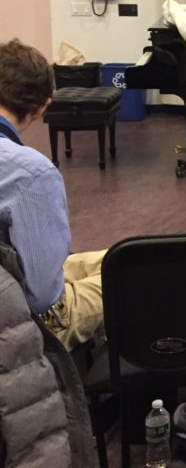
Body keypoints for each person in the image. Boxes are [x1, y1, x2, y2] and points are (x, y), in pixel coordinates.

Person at [0, 38, 105, 349]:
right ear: (44, 107)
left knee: (120, 259)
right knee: (147, 272)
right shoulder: (29, 172)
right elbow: (45, 298)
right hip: (20, 319)